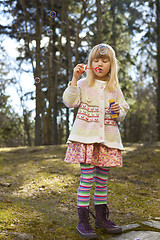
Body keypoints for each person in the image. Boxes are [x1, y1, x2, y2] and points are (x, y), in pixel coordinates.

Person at [62, 43, 130, 239]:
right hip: (86, 140)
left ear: (111, 65)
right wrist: (74, 79)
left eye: (105, 60)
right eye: (96, 60)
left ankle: (101, 218)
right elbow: (70, 102)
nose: (100, 63)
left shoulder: (114, 87)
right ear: (90, 64)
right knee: (87, 179)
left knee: (102, 182)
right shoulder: (83, 84)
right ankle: (83, 221)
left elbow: (123, 110)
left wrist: (119, 111)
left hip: (107, 141)